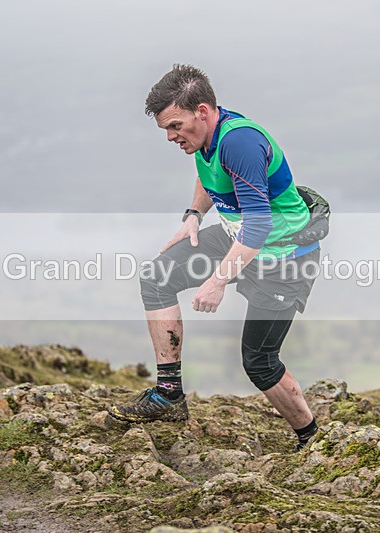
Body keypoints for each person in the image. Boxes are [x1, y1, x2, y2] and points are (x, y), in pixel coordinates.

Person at [110, 64, 321, 451]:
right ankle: (169, 394)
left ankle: (310, 437)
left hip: (283, 258)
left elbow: (257, 227)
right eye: (167, 130)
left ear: (202, 111)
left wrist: (217, 279)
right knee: (156, 277)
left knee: (259, 362)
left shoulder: (240, 141)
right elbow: (209, 173)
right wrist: (194, 215)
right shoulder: (207, 136)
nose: (172, 137)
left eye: (176, 126)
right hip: (235, 239)